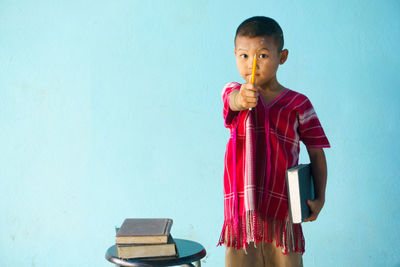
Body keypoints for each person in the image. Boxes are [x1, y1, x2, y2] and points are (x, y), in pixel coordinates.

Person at [218, 16, 330, 267]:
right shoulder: (234, 91)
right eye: (244, 56)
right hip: (243, 212)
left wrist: (319, 197)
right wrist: (241, 98)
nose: (252, 64)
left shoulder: (299, 104)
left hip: (284, 211)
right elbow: (232, 101)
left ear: (282, 57)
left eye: (263, 56)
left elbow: (317, 153)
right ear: (235, 54)